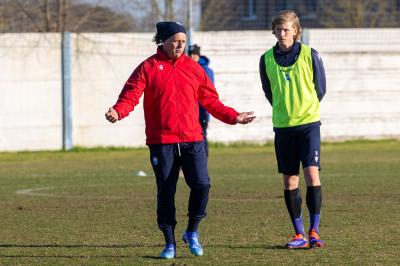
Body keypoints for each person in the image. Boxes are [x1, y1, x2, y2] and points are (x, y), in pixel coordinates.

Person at [105, 21, 256, 259]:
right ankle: (169, 243)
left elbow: (211, 101)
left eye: (183, 42)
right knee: (166, 191)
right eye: (175, 40)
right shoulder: (148, 67)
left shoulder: (194, 69)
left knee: (202, 185)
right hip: (161, 141)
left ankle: (192, 231)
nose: (180, 45)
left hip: (192, 139)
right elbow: (131, 93)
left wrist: (233, 116)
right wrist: (118, 111)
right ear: (162, 41)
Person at [259, 10, 326, 249]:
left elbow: (321, 88)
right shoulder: (266, 58)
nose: (282, 34)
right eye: (278, 30)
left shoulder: (310, 54)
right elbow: (269, 91)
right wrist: (284, 109)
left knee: (312, 174)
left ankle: (315, 231)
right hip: (283, 127)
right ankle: (299, 234)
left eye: (286, 29)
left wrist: (303, 108)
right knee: (290, 181)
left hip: (308, 124)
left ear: (296, 31)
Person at [188, 44, 213, 157]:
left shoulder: (205, 70)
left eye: (195, 55)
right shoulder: (187, 68)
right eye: (190, 54)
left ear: (198, 55)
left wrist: (206, 114)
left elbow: (208, 94)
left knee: (202, 138)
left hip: (202, 111)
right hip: (189, 111)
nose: (192, 57)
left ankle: (203, 165)